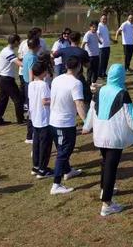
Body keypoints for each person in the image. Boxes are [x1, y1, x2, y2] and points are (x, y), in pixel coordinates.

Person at [82, 64, 133, 216]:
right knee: (110, 168)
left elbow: (91, 112)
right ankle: (107, 204)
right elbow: (131, 117)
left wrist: (87, 126)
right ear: (121, 77)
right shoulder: (122, 94)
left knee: (105, 163)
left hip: (100, 135)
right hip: (114, 137)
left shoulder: (99, 91)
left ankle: (104, 189)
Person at [49, 56, 88, 195]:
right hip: (63, 124)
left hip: (54, 121)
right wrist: (87, 122)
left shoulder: (57, 79)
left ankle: (68, 171)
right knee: (63, 152)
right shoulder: (76, 83)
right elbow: (79, 103)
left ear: (66, 66)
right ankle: (56, 184)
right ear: (78, 67)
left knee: (63, 149)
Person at [28, 62, 54, 178]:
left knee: (36, 143)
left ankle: (36, 166)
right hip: (44, 119)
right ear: (44, 72)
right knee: (45, 145)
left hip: (35, 118)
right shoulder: (43, 85)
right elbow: (45, 101)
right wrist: (55, 100)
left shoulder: (31, 84)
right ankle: (43, 169)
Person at [52, 31, 91, 104]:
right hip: (78, 75)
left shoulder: (63, 50)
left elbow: (52, 55)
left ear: (69, 39)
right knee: (87, 94)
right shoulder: (83, 52)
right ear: (79, 40)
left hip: (65, 74)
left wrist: (52, 64)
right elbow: (88, 65)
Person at [0, 34, 24, 126]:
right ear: (15, 41)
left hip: (2, 78)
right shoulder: (8, 52)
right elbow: (19, 63)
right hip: (7, 80)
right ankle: (20, 120)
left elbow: (16, 59)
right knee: (18, 99)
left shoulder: (6, 50)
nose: (19, 43)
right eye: (18, 41)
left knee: (3, 99)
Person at [22, 37, 42, 143]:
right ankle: (30, 136)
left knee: (31, 110)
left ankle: (30, 135)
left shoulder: (26, 55)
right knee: (33, 110)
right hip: (30, 84)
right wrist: (33, 87)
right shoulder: (33, 58)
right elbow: (31, 72)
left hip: (26, 84)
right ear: (37, 46)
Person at [82, 21, 102, 85]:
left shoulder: (95, 33)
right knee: (90, 71)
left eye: (96, 27)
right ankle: (88, 84)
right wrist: (81, 52)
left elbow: (97, 39)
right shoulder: (88, 34)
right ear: (90, 27)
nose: (95, 28)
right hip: (90, 56)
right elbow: (83, 44)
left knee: (96, 70)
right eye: (93, 27)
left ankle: (94, 83)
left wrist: (100, 42)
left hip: (96, 55)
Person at [97, 14, 111, 79]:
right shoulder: (99, 26)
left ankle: (104, 73)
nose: (104, 20)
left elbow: (107, 35)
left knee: (106, 60)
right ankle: (99, 74)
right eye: (103, 19)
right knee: (101, 61)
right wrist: (99, 41)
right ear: (100, 19)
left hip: (107, 46)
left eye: (105, 19)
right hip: (101, 47)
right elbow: (96, 35)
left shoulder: (105, 26)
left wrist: (113, 40)